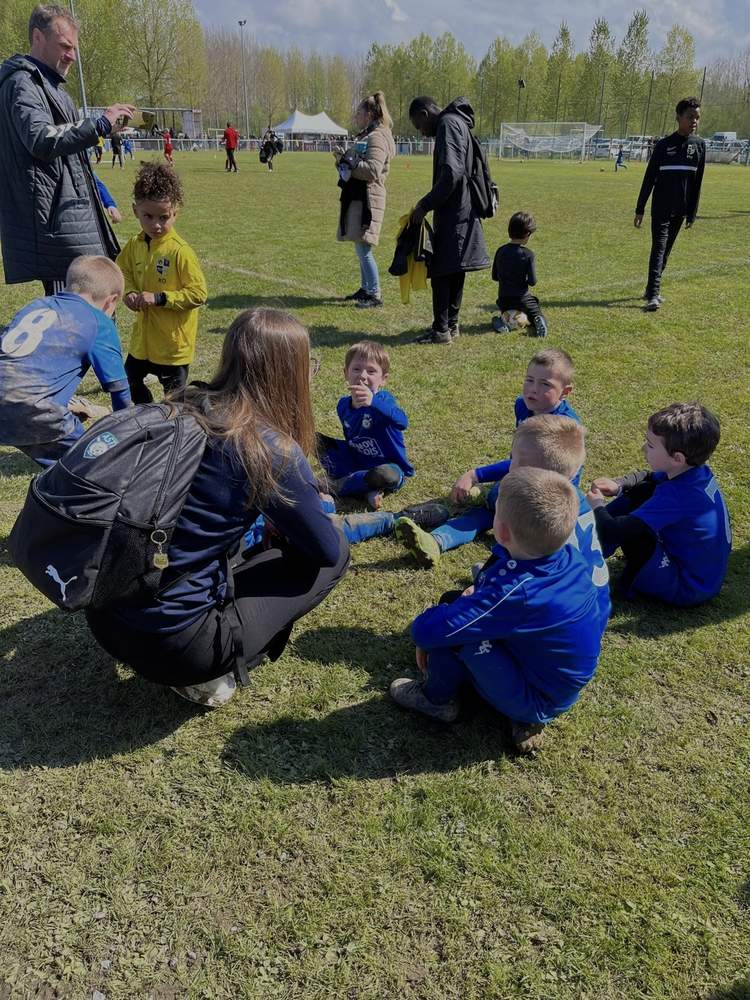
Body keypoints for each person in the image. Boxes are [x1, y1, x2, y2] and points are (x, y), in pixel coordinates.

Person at [84, 308, 350, 708]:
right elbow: (325, 548)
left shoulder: (183, 403)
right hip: (175, 647)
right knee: (337, 554)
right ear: (292, 373)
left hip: (103, 613)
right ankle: (210, 672)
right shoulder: (269, 449)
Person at [389, 467, 607, 754]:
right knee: (466, 615)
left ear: (501, 530)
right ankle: (517, 713)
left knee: (455, 635)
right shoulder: (568, 557)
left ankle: (436, 700)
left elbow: (430, 630)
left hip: (536, 697)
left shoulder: (518, 592)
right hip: (555, 683)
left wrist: (429, 632)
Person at [396, 348, 578, 566]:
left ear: (565, 391)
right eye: (529, 380)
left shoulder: (563, 427)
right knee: (492, 506)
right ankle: (435, 541)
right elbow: (521, 461)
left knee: (497, 504)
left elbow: (534, 468)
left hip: (550, 498)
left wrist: (477, 475)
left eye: (545, 384)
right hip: (524, 477)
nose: (533, 390)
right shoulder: (523, 406)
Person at [0, 3, 134, 293]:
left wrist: (105, 128)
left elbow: (73, 161)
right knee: (77, 317)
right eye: (65, 46)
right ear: (38, 37)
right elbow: (41, 139)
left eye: (74, 48)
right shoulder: (23, 83)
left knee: (97, 303)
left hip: (72, 221)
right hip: (58, 230)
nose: (72, 56)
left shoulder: (51, 87)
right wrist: (97, 125)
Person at [587, 402, 731, 606]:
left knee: (631, 526)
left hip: (685, 587)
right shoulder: (693, 472)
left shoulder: (678, 496)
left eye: (651, 445)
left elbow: (613, 530)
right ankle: (588, 545)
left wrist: (597, 505)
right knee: (642, 491)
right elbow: (648, 477)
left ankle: (591, 558)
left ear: (677, 458)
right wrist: (619, 484)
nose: (643, 448)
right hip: (702, 578)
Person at [0, 255, 130, 467]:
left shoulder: (35, 306)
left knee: (56, 464)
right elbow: (119, 388)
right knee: (91, 466)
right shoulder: (99, 323)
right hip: (36, 408)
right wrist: (125, 430)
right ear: (112, 300)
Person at [117, 162, 208, 404]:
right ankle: (147, 418)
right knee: (129, 382)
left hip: (172, 347)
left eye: (164, 217)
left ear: (175, 213)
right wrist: (129, 293)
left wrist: (159, 298)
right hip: (143, 343)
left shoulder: (180, 252)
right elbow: (121, 269)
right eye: (148, 216)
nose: (156, 224)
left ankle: (174, 432)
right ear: (135, 211)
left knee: (175, 401)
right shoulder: (134, 245)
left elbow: (198, 294)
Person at [408, 96, 490, 344]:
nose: (422, 134)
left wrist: (424, 205)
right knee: (455, 269)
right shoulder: (459, 122)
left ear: (424, 114)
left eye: (418, 126)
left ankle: (441, 330)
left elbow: (451, 174)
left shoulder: (447, 124)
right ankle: (451, 326)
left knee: (443, 270)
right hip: (463, 208)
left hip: (454, 210)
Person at [317, 340, 414, 510]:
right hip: (356, 460)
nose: (362, 376)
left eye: (371, 371)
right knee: (312, 438)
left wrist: (373, 402)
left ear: (383, 379)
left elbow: (402, 421)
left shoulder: (384, 400)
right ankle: (366, 487)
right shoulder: (343, 405)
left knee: (386, 475)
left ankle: (338, 486)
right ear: (346, 373)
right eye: (356, 369)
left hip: (387, 465)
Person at [635, 98, 706, 312]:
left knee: (666, 251)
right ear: (678, 118)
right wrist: (640, 209)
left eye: (697, 118)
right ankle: (654, 294)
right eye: (690, 117)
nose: (694, 121)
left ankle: (650, 289)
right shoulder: (664, 146)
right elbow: (649, 179)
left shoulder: (699, 146)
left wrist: (692, 213)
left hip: (681, 210)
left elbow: (697, 183)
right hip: (661, 208)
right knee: (659, 248)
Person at [335, 91, 396, 309]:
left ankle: (375, 293)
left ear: (369, 114)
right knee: (360, 244)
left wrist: (348, 163)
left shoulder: (377, 136)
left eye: (358, 113)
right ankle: (365, 288)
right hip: (361, 195)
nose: (356, 117)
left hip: (369, 197)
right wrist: (343, 161)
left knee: (364, 247)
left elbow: (372, 170)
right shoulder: (369, 134)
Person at [491, 211, 547, 337]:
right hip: (523, 298)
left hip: (504, 299)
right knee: (537, 313)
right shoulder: (528, 254)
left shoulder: (500, 251)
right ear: (527, 233)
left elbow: (494, 276)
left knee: (506, 313)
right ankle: (537, 320)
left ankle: (500, 321)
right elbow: (533, 281)